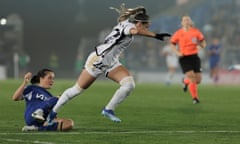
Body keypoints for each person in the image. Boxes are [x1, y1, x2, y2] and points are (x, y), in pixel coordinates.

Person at [46, 3, 171, 123]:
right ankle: (52, 113)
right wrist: (155, 35)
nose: (146, 28)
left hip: (111, 61)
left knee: (129, 85)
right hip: (98, 60)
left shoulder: (125, 23)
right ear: (139, 23)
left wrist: (153, 34)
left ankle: (108, 109)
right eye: (146, 26)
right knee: (77, 90)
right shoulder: (129, 27)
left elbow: (136, 30)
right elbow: (135, 31)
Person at [170, 15, 207, 104]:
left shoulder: (196, 32)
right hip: (184, 58)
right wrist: (177, 53)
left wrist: (200, 46)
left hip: (194, 57)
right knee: (192, 78)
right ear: (182, 23)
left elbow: (203, 42)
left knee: (198, 80)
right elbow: (172, 44)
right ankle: (195, 98)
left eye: (188, 20)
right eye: (184, 20)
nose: (186, 21)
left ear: (190, 22)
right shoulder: (178, 33)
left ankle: (185, 81)